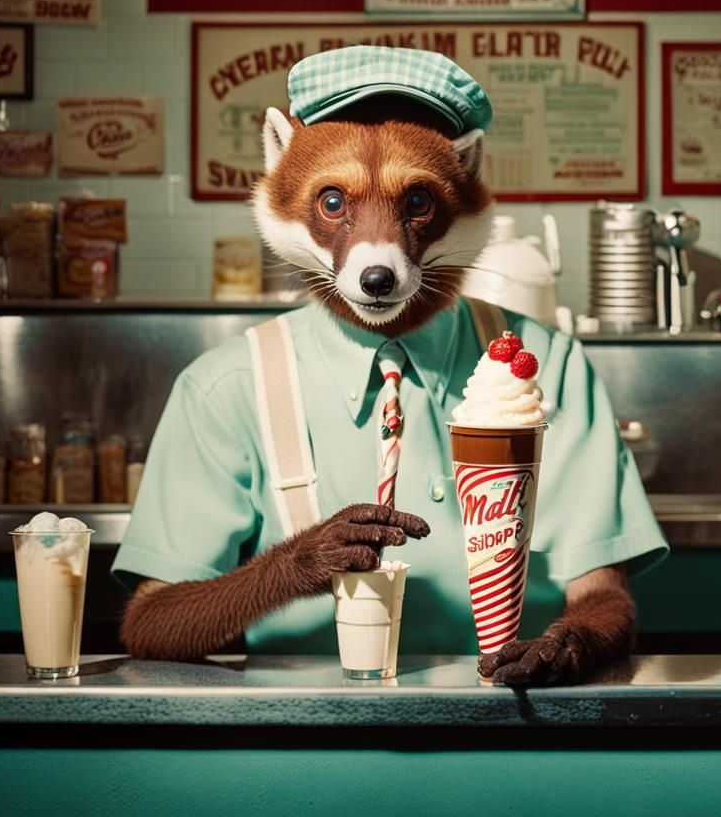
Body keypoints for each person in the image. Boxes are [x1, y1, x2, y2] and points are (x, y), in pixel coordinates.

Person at [112, 46, 667, 685]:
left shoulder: (548, 365)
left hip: (516, 732)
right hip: (306, 744)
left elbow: (605, 601)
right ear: (281, 171)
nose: (377, 261)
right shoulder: (225, 389)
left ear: (466, 177)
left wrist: (570, 644)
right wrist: (293, 566)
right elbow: (150, 625)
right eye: (332, 203)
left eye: (416, 205)